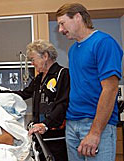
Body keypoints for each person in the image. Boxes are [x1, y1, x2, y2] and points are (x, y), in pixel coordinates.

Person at [56, 3, 123, 161]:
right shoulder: (73, 50)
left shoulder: (104, 43)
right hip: (73, 123)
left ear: (77, 17)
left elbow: (110, 89)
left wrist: (95, 132)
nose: (60, 30)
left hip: (96, 124)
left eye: (62, 23)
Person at [0, 39, 70, 161]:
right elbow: (23, 94)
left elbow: (62, 104)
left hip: (56, 136)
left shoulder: (62, 74)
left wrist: (46, 124)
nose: (32, 63)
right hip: (40, 134)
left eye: (33, 59)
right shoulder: (39, 79)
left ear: (45, 56)